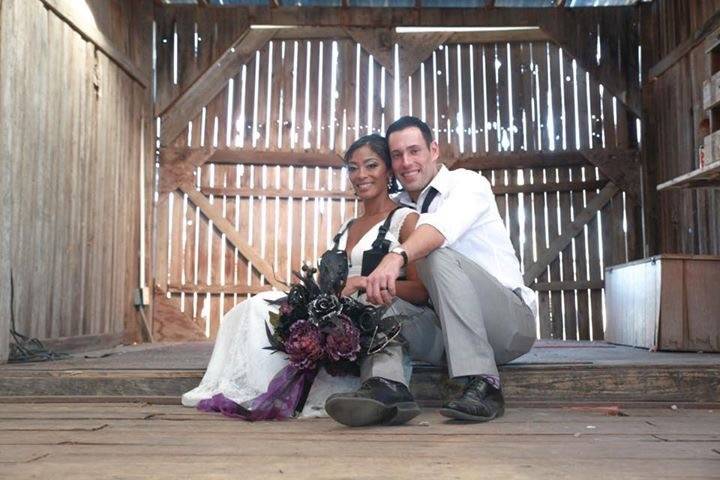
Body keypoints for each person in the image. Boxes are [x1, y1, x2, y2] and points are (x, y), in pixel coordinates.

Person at [182, 134, 437, 420]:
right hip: (336, 314)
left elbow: (421, 290)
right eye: (353, 168)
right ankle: (258, 389)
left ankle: (381, 393)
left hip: (381, 312)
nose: (361, 175)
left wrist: (367, 284)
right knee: (259, 306)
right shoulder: (346, 228)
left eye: (371, 165)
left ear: (388, 170)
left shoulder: (406, 220)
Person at [325, 116, 536, 426]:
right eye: (397, 155)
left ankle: (484, 382)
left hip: (506, 325)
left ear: (434, 150)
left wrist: (396, 256)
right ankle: (389, 387)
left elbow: (439, 230)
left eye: (415, 151)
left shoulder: (466, 184)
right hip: (443, 331)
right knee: (379, 301)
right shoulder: (397, 208)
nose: (406, 162)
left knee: (435, 255)